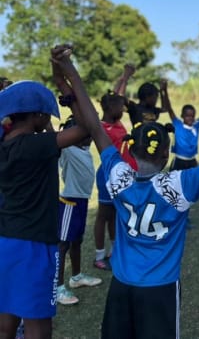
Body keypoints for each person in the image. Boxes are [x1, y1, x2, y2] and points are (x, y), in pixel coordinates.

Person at [50, 45, 199, 339]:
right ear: (166, 155)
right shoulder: (177, 184)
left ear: (130, 150)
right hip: (160, 288)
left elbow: (94, 126)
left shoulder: (118, 175)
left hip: (123, 284)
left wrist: (69, 68)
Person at [0, 58, 89, 338]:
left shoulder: (5, 145)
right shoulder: (38, 145)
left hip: (4, 241)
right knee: (38, 324)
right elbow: (87, 128)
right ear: (37, 115)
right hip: (35, 245)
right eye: (46, 115)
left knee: (6, 321)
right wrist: (68, 81)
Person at [56, 116, 102, 306]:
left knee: (77, 241)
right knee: (62, 245)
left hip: (81, 202)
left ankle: (76, 277)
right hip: (69, 203)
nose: (89, 136)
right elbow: (55, 137)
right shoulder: (67, 149)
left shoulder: (83, 148)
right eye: (85, 133)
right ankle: (57, 288)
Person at [93, 88, 138, 271]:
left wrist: (125, 77)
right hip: (106, 174)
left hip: (122, 174)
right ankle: (98, 256)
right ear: (110, 108)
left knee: (115, 214)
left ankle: (114, 250)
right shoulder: (101, 127)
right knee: (103, 215)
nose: (123, 109)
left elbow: (116, 94)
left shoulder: (117, 122)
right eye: (120, 106)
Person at [162, 80, 199, 170]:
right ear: (182, 116)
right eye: (187, 116)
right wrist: (165, 90)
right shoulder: (178, 125)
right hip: (179, 161)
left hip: (192, 161)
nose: (190, 118)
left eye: (192, 116)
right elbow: (169, 109)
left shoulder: (196, 125)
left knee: (192, 183)